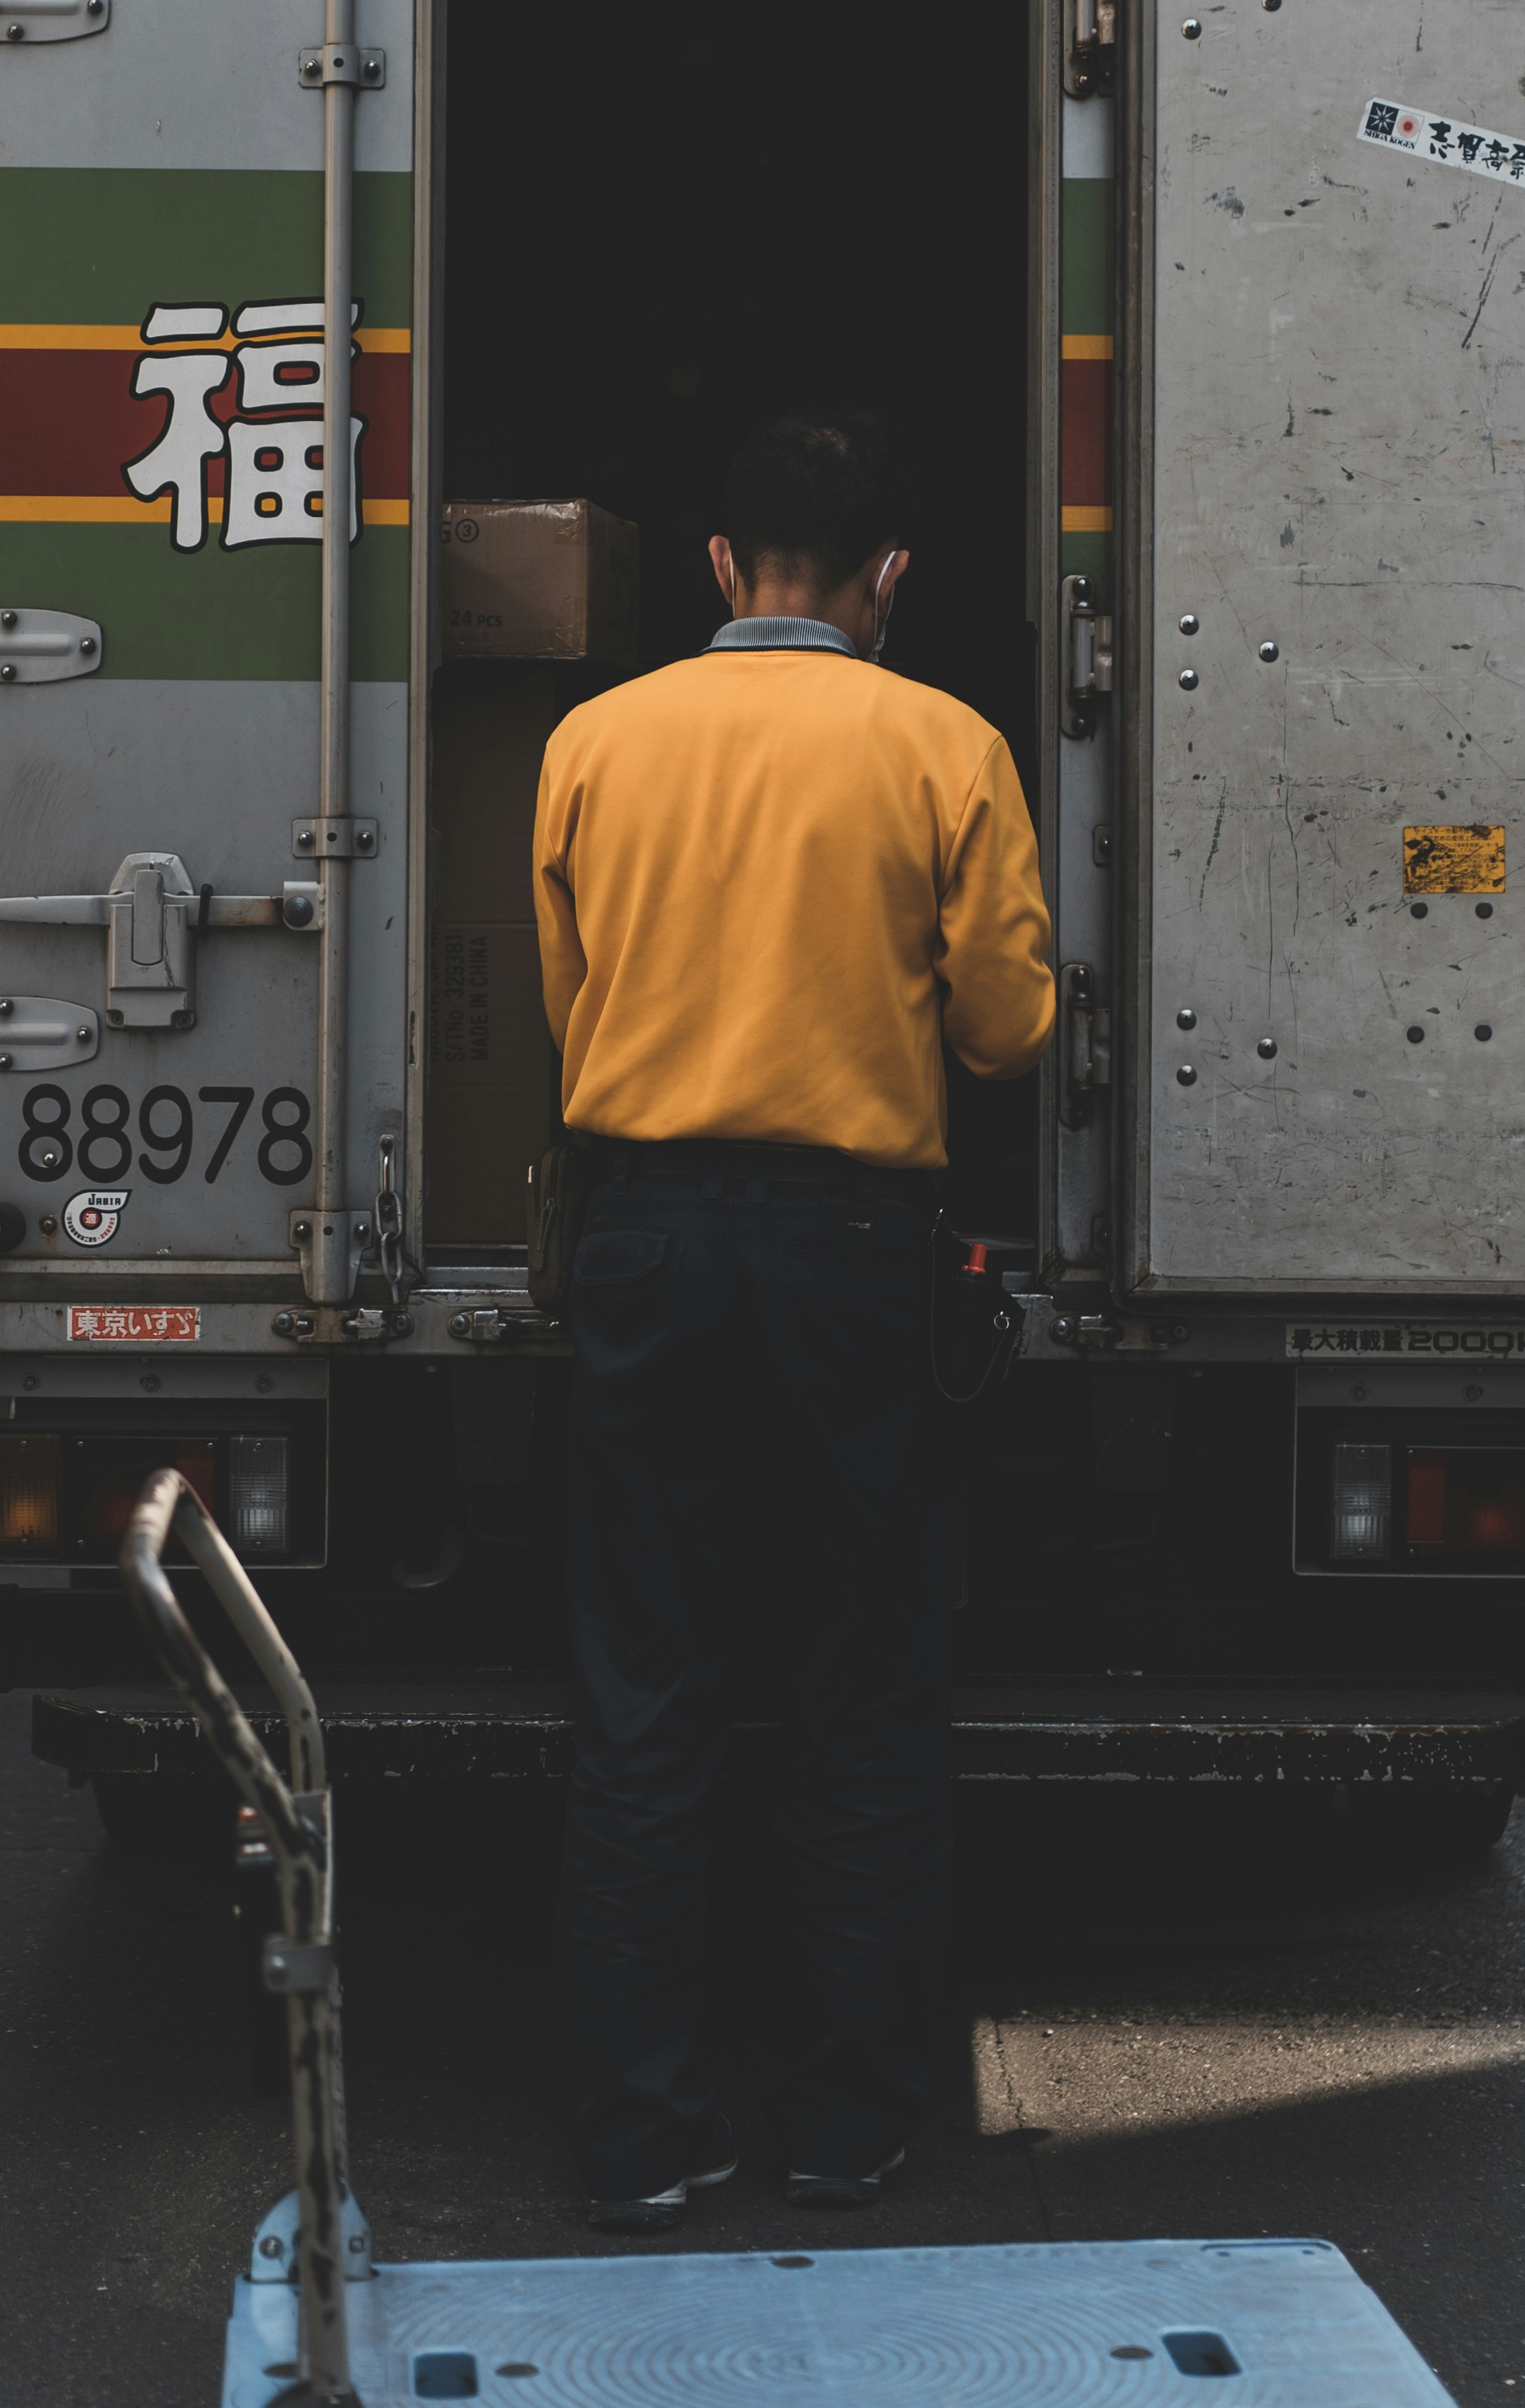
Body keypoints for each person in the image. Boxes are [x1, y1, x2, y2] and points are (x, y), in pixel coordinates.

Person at [532, 407, 1056, 2233]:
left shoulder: (595, 738)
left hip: (647, 1239)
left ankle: (639, 2132)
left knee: (645, 1701)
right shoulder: (947, 744)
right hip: (852, 1252)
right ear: (889, 578)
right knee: (858, 1698)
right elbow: (1004, 1030)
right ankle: (843, 2124)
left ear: (716, 568)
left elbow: (569, 1001)